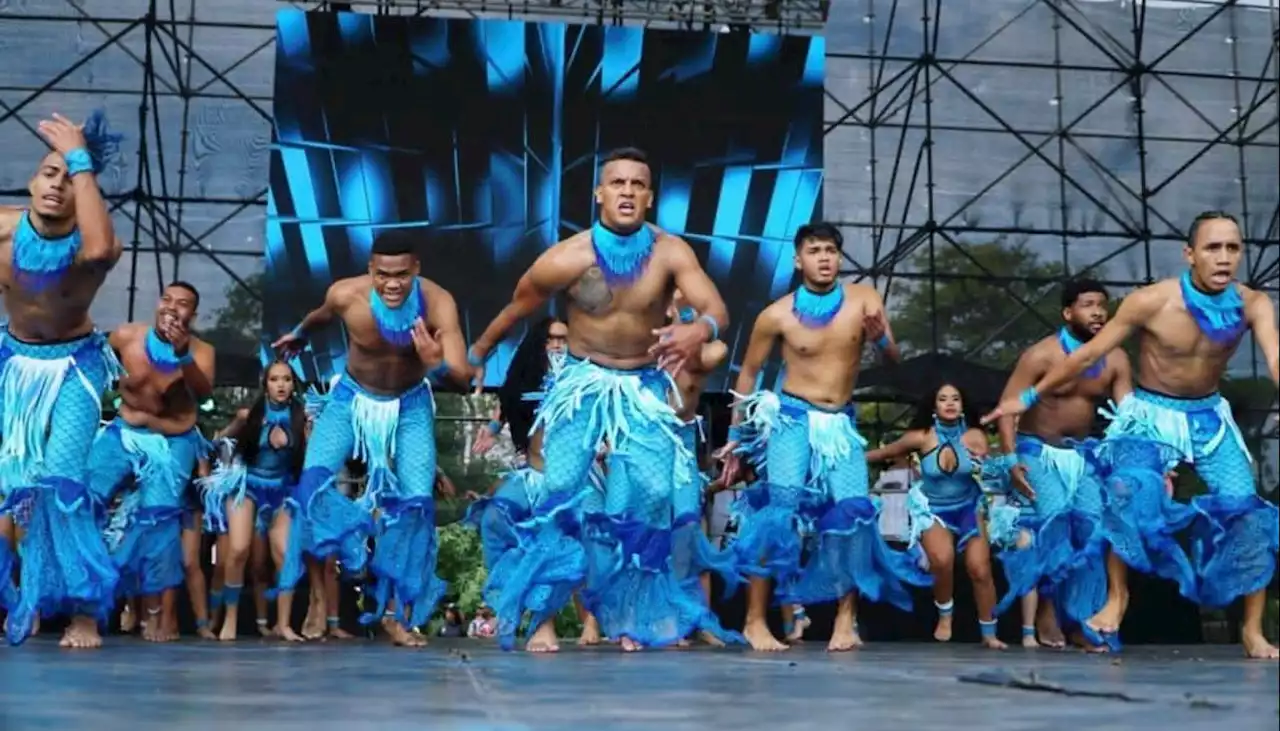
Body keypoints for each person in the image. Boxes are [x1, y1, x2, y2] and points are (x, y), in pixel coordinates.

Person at [984, 211, 1279, 660]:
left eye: (1232, 248)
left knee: (1246, 511)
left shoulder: (1253, 303)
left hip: (1209, 419)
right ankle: (1117, 597)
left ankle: (1253, 630)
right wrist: (1027, 397)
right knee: (1126, 491)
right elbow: (1089, 355)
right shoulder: (1151, 301)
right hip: (1152, 414)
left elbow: (1275, 356)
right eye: (1212, 248)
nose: (1223, 258)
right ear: (1190, 254)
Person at [467, 147, 729, 652]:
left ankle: (631, 616)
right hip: (583, 384)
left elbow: (716, 307)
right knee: (558, 496)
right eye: (618, 183)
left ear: (650, 197)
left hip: (644, 386)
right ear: (599, 194)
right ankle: (541, 619)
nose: (627, 192)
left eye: (637, 184)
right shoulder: (568, 256)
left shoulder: (672, 252)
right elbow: (517, 307)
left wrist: (701, 329)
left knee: (651, 500)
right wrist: (476, 352)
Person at [717, 221, 927, 653]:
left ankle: (845, 623)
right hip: (792, 418)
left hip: (840, 424)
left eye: (831, 250)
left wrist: (880, 340)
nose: (825, 258)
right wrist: (736, 438)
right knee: (779, 514)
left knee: (853, 517)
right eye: (815, 250)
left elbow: (894, 361)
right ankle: (757, 621)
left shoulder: (864, 299)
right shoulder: (776, 314)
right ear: (799, 259)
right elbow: (749, 374)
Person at [271, 229, 471, 647]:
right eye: (383, 274)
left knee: (415, 508)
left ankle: (395, 616)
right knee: (311, 489)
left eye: (401, 274)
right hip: (351, 400)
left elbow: (463, 377)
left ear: (416, 268)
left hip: (410, 406)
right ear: (370, 270)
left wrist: (436, 366)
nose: (393, 283)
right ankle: (319, 601)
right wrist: (299, 334)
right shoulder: (347, 295)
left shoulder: (438, 303)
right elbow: (319, 315)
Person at [0, 112, 124, 648]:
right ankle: (25, 597)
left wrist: (79, 157)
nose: (57, 184)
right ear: (31, 182)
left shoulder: (92, 245)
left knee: (64, 482)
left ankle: (86, 611)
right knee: (15, 487)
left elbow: (100, 251)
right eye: (49, 172)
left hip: (75, 364)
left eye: (68, 179)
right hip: (14, 362)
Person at [986, 279, 1135, 652]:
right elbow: (1007, 408)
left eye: (1102, 304)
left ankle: (1082, 620)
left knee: (1092, 532)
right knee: (1055, 526)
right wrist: (1010, 460)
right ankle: (1048, 612)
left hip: (1082, 455)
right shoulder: (1042, 355)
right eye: (1088, 304)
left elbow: (1129, 418)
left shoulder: (1115, 358)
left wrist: (1141, 464)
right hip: (1038, 452)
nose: (1098, 311)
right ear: (1068, 313)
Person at [88, 282, 216, 643]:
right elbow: (88, 357)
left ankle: (159, 614)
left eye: (183, 305)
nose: (172, 309)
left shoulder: (202, 351)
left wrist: (182, 354)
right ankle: (76, 604)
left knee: (159, 519)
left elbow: (204, 393)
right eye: (167, 300)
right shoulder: (127, 336)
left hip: (173, 438)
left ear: (193, 314)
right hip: (124, 431)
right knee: (81, 499)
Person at [864, 382, 1003, 649]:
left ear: (963, 406)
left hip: (968, 506)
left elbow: (990, 467)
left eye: (955, 399)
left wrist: (987, 463)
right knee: (942, 559)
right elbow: (884, 453)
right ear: (934, 406)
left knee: (980, 569)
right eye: (943, 399)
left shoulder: (974, 435)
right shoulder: (921, 436)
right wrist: (846, 456)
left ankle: (990, 633)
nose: (950, 403)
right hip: (932, 508)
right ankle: (945, 615)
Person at [198, 360, 308, 641]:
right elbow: (214, 443)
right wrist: (234, 426)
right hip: (247, 486)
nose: (281, 385)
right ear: (266, 384)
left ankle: (283, 624)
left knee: (285, 554)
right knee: (238, 549)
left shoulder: (302, 418)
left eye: (286, 379)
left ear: (293, 384)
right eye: (274, 379)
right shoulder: (250, 415)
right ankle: (230, 618)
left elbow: (311, 460)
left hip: (282, 489)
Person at [664, 291, 742, 646]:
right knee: (650, 539)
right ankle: (665, 620)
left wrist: (686, 318)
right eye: (674, 300)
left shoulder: (705, 351)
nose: (681, 305)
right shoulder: (640, 346)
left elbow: (716, 350)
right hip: (642, 447)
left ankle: (700, 620)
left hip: (681, 451)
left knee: (692, 538)